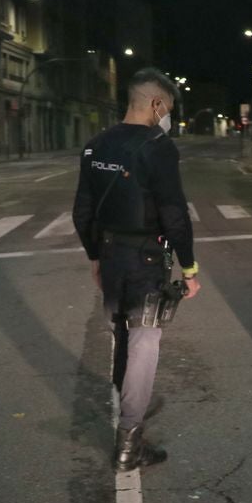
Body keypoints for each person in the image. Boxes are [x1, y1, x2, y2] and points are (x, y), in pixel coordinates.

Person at [73, 68, 201, 471]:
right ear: (156, 103)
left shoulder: (95, 146)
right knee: (145, 343)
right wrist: (190, 268)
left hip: (110, 258)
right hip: (147, 259)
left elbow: (82, 212)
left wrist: (95, 256)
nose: (170, 117)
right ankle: (130, 442)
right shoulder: (158, 147)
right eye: (170, 108)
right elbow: (174, 214)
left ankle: (126, 408)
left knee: (122, 337)